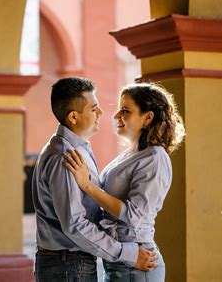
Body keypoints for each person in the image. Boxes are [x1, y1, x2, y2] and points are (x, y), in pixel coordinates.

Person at [33, 77, 158, 281]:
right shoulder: (66, 156)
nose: (100, 113)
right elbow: (75, 225)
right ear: (73, 117)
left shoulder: (77, 149)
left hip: (70, 263)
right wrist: (128, 254)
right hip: (69, 265)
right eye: (94, 109)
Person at [63, 82, 185, 282]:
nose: (116, 115)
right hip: (121, 259)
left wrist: (87, 186)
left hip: (138, 262)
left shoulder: (155, 157)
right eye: (119, 109)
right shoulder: (131, 154)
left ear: (147, 117)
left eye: (126, 111)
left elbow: (133, 214)